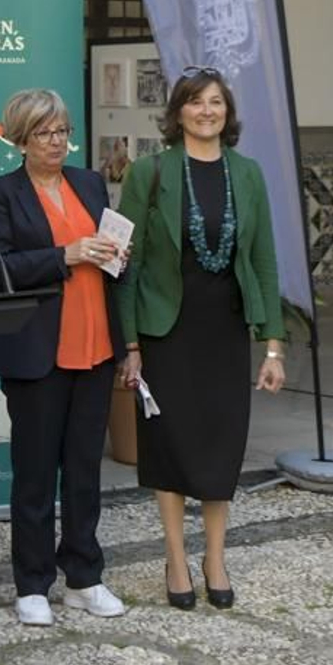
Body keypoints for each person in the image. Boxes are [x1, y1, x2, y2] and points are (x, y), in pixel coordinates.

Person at [117, 67, 285, 610]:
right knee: (169, 446)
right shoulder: (151, 171)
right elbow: (128, 263)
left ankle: (215, 556)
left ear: (227, 112)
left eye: (215, 102)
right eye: (195, 102)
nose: (206, 111)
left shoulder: (249, 173)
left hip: (226, 330)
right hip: (166, 331)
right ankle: (175, 557)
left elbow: (263, 260)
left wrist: (273, 345)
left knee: (220, 442)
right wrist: (131, 343)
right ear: (178, 112)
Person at [0, 89, 127, 626]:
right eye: (44, 133)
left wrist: (116, 256)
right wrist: (66, 254)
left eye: (62, 131)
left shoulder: (89, 183)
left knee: (84, 472)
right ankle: (32, 583)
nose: (56, 142)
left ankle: (84, 577)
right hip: (38, 352)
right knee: (35, 475)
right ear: (20, 138)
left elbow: (114, 270)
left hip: (96, 347)